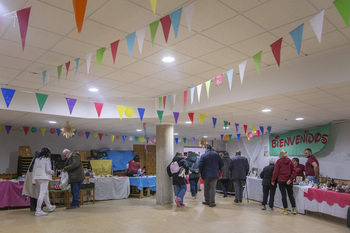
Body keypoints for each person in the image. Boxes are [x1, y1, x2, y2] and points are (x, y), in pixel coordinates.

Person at [271, 150, 297, 215]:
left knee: (283, 195)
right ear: (286, 154)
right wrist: (290, 179)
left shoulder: (278, 162)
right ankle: (294, 209)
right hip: (289, 180)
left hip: (281, 180)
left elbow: (275, 172)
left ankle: (285, 210)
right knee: (291, 195)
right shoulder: (290, 161)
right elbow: (294, 171)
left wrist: (273, 180)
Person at [32, 148, 56, 216]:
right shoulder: (47, 159)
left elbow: (34, 170)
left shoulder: (37, 159)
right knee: (42, 193)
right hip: (44, 177)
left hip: (38, 177)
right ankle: (38, 210)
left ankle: (49, 207)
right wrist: (52, 172)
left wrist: (33, 180)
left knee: (45, 192)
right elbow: (48, 169)